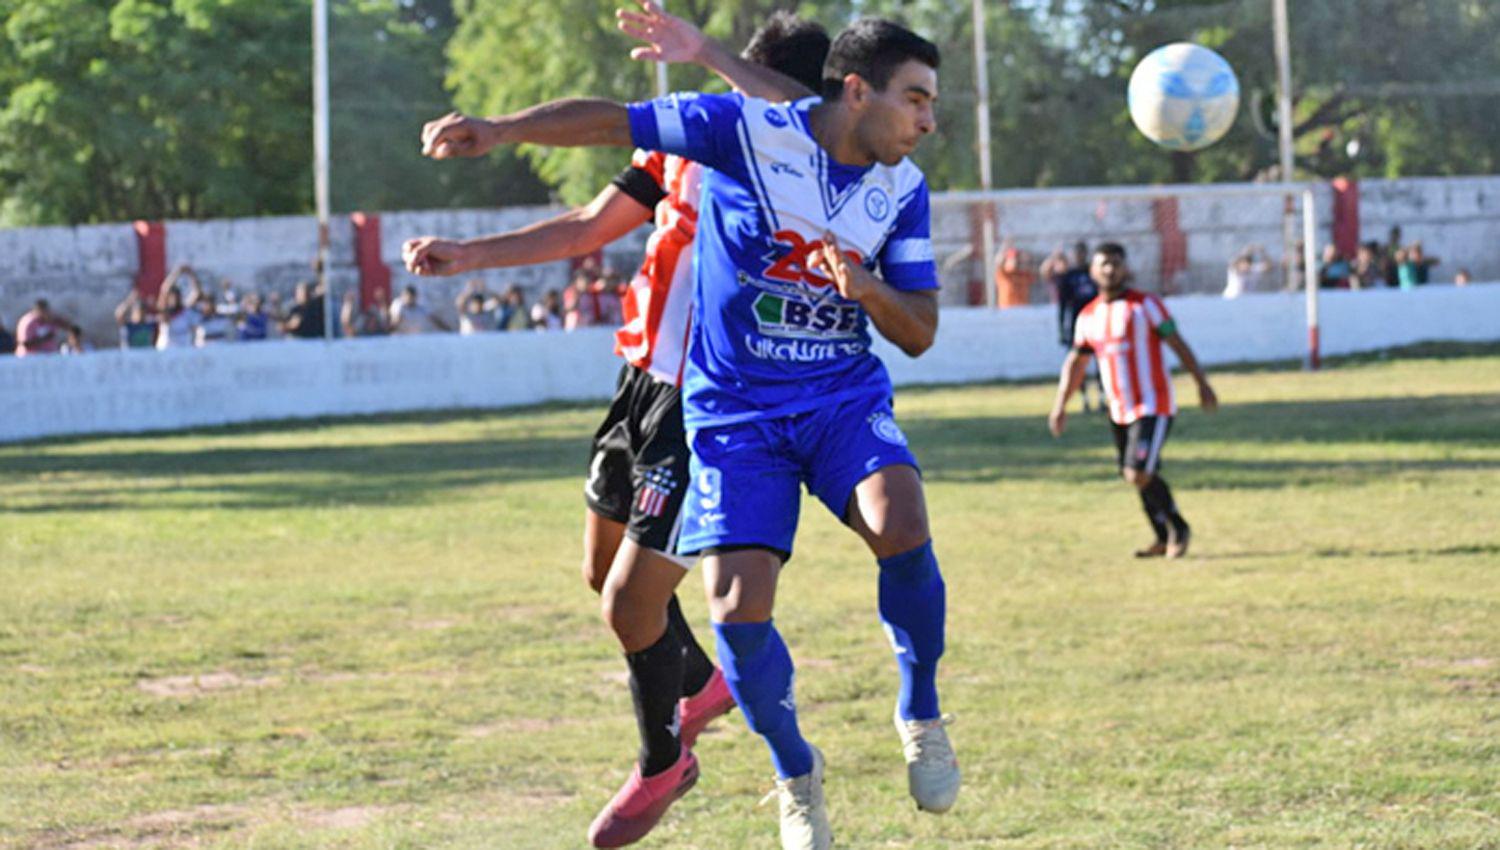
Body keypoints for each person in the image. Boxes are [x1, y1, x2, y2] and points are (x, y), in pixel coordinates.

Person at [418, 16, 961, 849]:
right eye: (916, 100)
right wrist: (489, 182)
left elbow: (915, 317)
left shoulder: (852, 162)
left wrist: (864, 288)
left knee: (660, 597)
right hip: (682, 396)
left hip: (765, 397)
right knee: (645, 589)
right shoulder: (713, 138)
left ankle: (701, 751)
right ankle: (753, 730)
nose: (928, 120)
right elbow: (597, 184)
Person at [1048, 243, 1218, 559]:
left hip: (1154, 405)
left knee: (1137, 472)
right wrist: (1060, 405)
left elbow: (1177, 343)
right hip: (1118, 409)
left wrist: (1202, 384)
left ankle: (1178, 527)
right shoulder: (1088, 316)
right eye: (1104, 264)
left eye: (1116, 263)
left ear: (1125, 268)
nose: (1110, 270)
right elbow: (1077, 363)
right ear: (1092, 272)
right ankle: (1160, 536)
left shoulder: (1147, 306)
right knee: (1138, 474)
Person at [1056, 241, 1101, 412]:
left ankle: (1103, 399)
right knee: (1078, 364)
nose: (1080, 256)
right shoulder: (1069, 276)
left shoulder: (1095, 273)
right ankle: (1085, 400)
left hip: (1098, 323)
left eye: (1082, 252)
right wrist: (1062, 329)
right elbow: (1062, 305)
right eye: (1077, 252)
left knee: (1101, 364)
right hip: (1079, 326)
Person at [155, 284, 200, 350]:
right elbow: (164, 289)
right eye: (171, 297)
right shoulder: (164, 312)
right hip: (166, 350)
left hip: (184, 349)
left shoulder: (187, 312)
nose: (174, 299)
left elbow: (194, 330)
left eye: (176, 297)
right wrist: (175, 274)